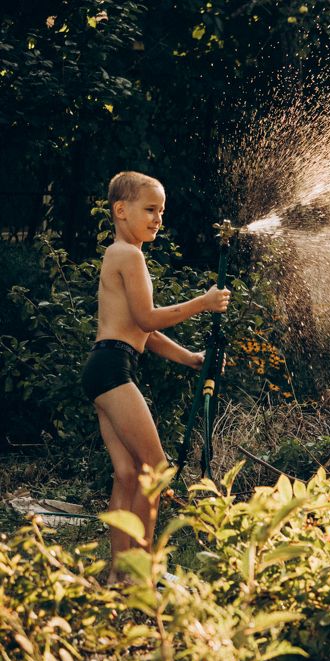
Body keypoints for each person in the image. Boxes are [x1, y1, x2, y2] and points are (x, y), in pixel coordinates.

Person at [81, 171, 230, 582]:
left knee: (128, 475)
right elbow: (147, 317)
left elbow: (141, 330)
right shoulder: (129, 255)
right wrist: (202, 302)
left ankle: (118, 575)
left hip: (105, 365)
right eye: (150, 210)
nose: (157, 219)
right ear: (121, 210)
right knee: (156, 470)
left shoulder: (119, 254)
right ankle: (142, 572)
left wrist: (191, 359)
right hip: (112, 368)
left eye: (161, 212)